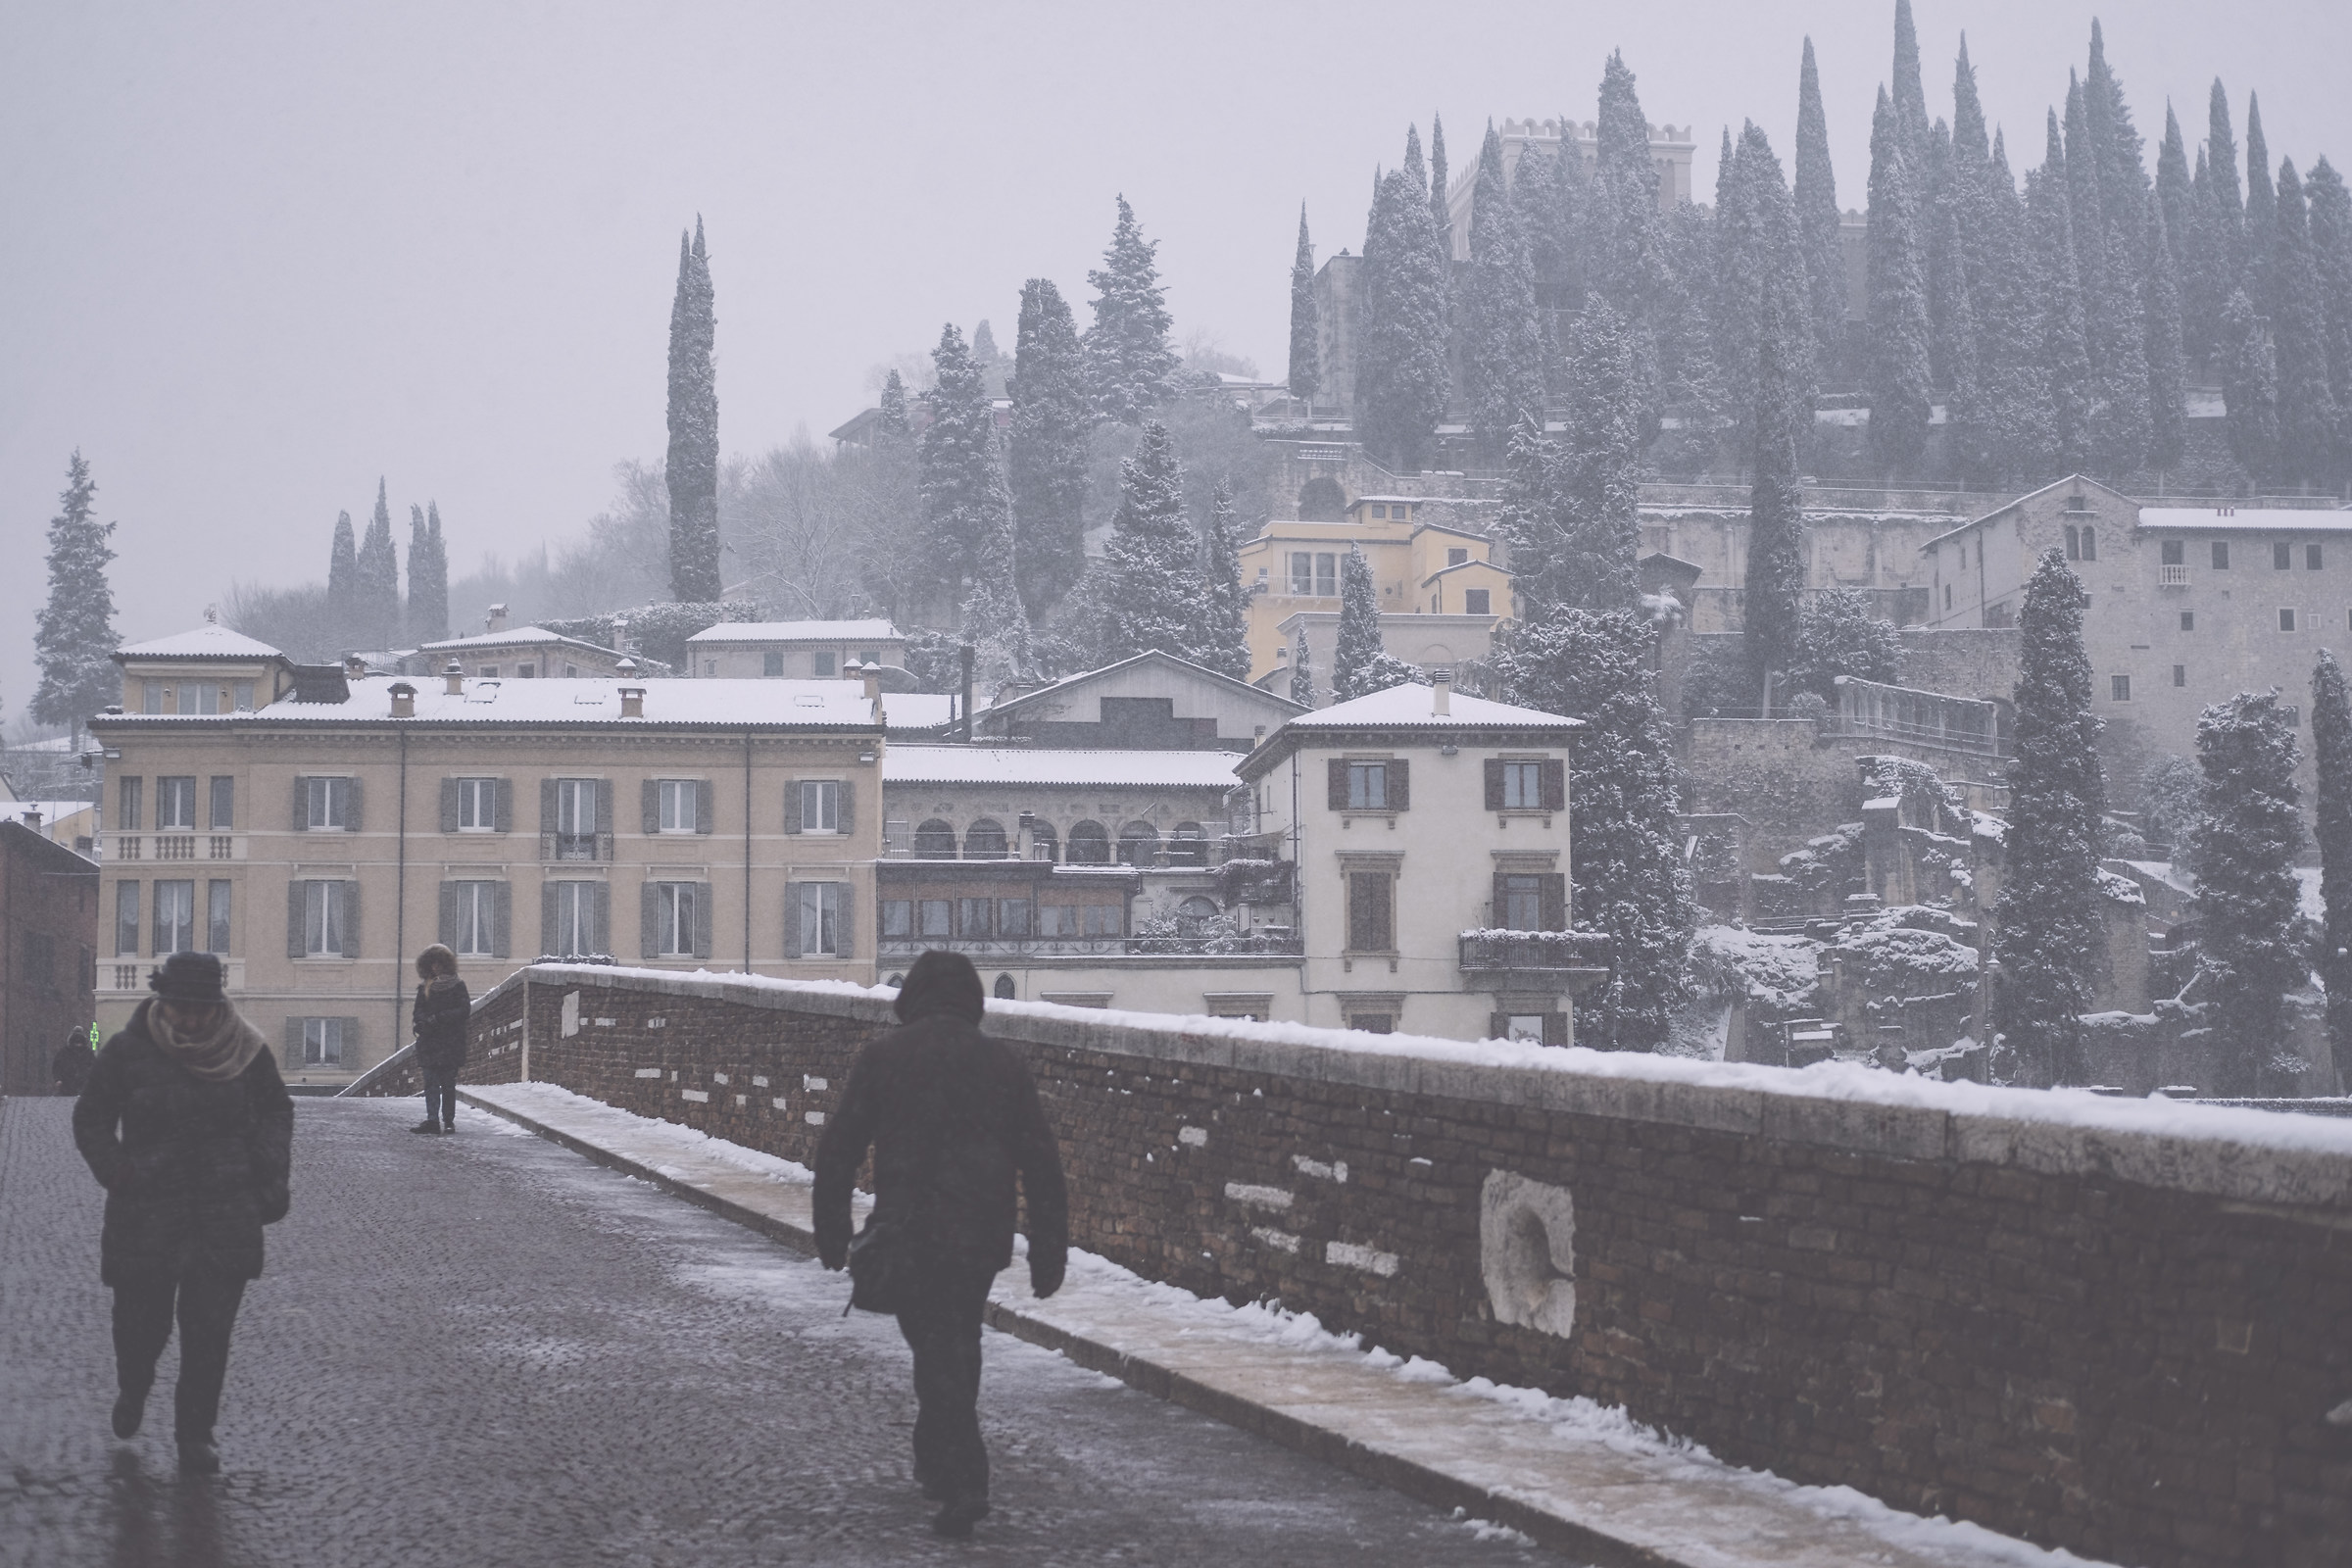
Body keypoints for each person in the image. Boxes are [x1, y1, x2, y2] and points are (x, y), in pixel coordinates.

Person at [813, 950, 1068, 1539]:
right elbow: (1042, 1161)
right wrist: (1048, 1249)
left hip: (911, 1231)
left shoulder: (885, 1058)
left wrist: (832, 1232)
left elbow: (839, 1149)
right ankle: (939, 1457)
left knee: (935, 1346)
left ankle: (962, 1476)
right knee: (955, 1340)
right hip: (980, 1235)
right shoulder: (1002, 1062)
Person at [72, 952, 293, 1475]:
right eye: (181, 1007)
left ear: (216, 1005)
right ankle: (134, 1385)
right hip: (146, 1212)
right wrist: (119, 1171)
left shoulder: (248, 1050)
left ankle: (195, 1435)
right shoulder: (126, 1052)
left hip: (224, 1213)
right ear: (163, 1001)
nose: (191, 1019)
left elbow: (277, 1110)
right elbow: (92, 1118)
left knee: (208, 1332)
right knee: (139, 1326)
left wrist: (265, 1160)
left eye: (201, 1008)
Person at [411, 944, 469, 1134]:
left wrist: (440, 1018)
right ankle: (433, 1120)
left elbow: (463, 1010)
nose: (435, 967)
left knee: (448, 1084)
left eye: (438, 964)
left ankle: (448, 1120)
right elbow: (418, 1010)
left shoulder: (458, 986)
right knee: (431, 1083)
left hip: (450, 1042)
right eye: (432, 964)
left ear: (445, 965)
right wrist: (422, 1022)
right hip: (429, 1042)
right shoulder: (425, 987)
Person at [52, 1028, 94, 1096]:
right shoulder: (88, 1053)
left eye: (80, 1043)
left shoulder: (64, 1052)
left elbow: (57, 1067)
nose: (78, 1045)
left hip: (72, 1083)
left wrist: (58, 1079)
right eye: (77, 1043)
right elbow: (57, 1067)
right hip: (70, 1083)